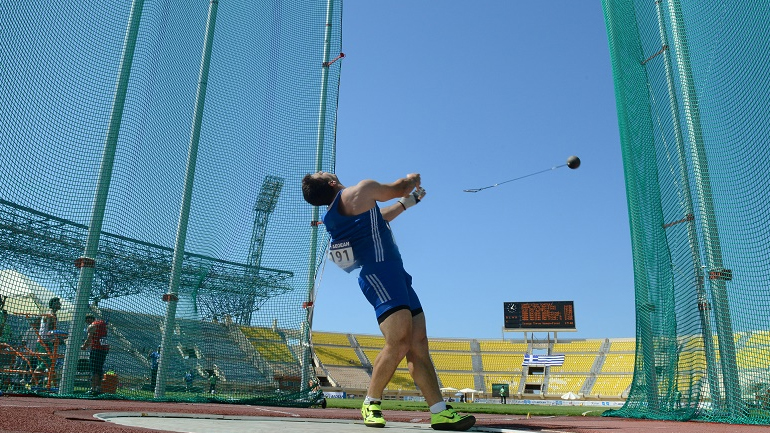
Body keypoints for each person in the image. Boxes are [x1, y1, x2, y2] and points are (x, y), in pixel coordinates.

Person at [302, 172, 475, 431]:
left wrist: (409, 202)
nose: (326, 170)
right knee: (400, 341)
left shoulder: (347, 208)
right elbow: (399, 187)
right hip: (379, 273)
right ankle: (371, 402)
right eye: (322, 173)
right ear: (330, 182)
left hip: (395, 273)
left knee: (418, 343)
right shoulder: (359, 191)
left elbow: (380, 219)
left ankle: (439, 412)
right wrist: (411, 179)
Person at [81, 314, 109, 395]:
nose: (86, 323)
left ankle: (93, 388)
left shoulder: (93, 326)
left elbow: (89, 338)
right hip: (104, 350)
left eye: (86, 321)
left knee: (94, 369)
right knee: (99, 369)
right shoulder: (102, 323)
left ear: (89, 319)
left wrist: (84, 347)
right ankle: (98, 388)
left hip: (96, 349)